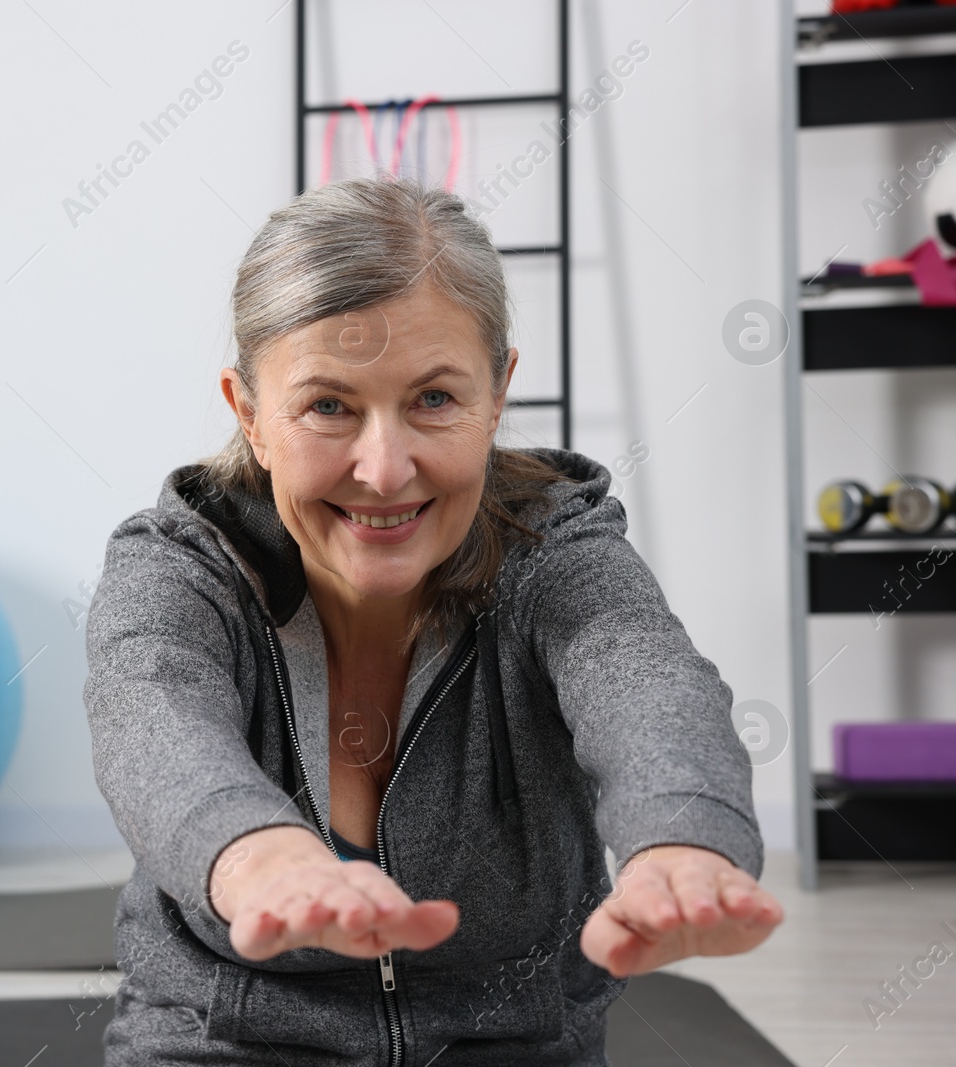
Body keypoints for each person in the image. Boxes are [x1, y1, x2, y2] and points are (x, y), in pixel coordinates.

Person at [83, 178, 784, 1065]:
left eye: (435, 400)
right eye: (329, 405)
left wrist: (681, 834)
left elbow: (640, 673)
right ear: (250, 416)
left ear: (499, 394)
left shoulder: (554, 546)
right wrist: (256, 856)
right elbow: (149, 716)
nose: (384, 468)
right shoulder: (180, 564)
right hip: (225, 1044)